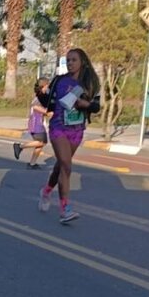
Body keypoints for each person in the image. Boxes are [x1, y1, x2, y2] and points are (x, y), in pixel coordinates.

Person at [37, 47, 101, 224]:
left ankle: (46, 190)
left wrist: (84, 104)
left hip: (77, 130)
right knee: (66, 165)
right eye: (68, 60)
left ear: (82, 62)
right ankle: (65, 209)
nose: (70, 63)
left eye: (74, 60)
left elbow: (96, 106)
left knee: (60, 166)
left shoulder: (91, 83)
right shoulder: (60, 80)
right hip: (58, 127)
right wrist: (40, 92)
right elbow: (48, 101)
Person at [13, 79, 51, 169]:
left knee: (41, 143)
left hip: (39, 123)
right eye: (47, 86)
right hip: (36, 123)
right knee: (41, 142)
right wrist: (47, 112)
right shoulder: (39, 98)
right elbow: (35, 107)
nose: (48, 88)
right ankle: (20, 146)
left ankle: (32, 163)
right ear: (43, 86)